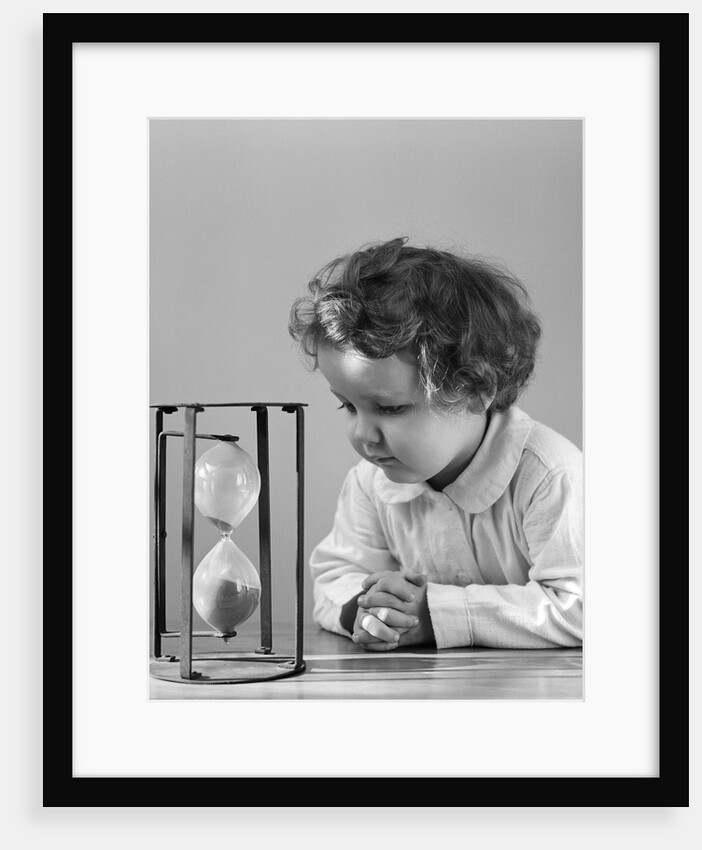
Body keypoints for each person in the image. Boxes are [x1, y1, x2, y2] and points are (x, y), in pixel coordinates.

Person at [288, 237, 582, 652]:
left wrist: (437, 615)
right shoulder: (370, 483)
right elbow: (335, 575)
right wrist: (371, 610)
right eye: (348, 406)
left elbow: (580, 607)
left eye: (390, 410)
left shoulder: (550, 477)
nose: (363, 435)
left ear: (476, 390)